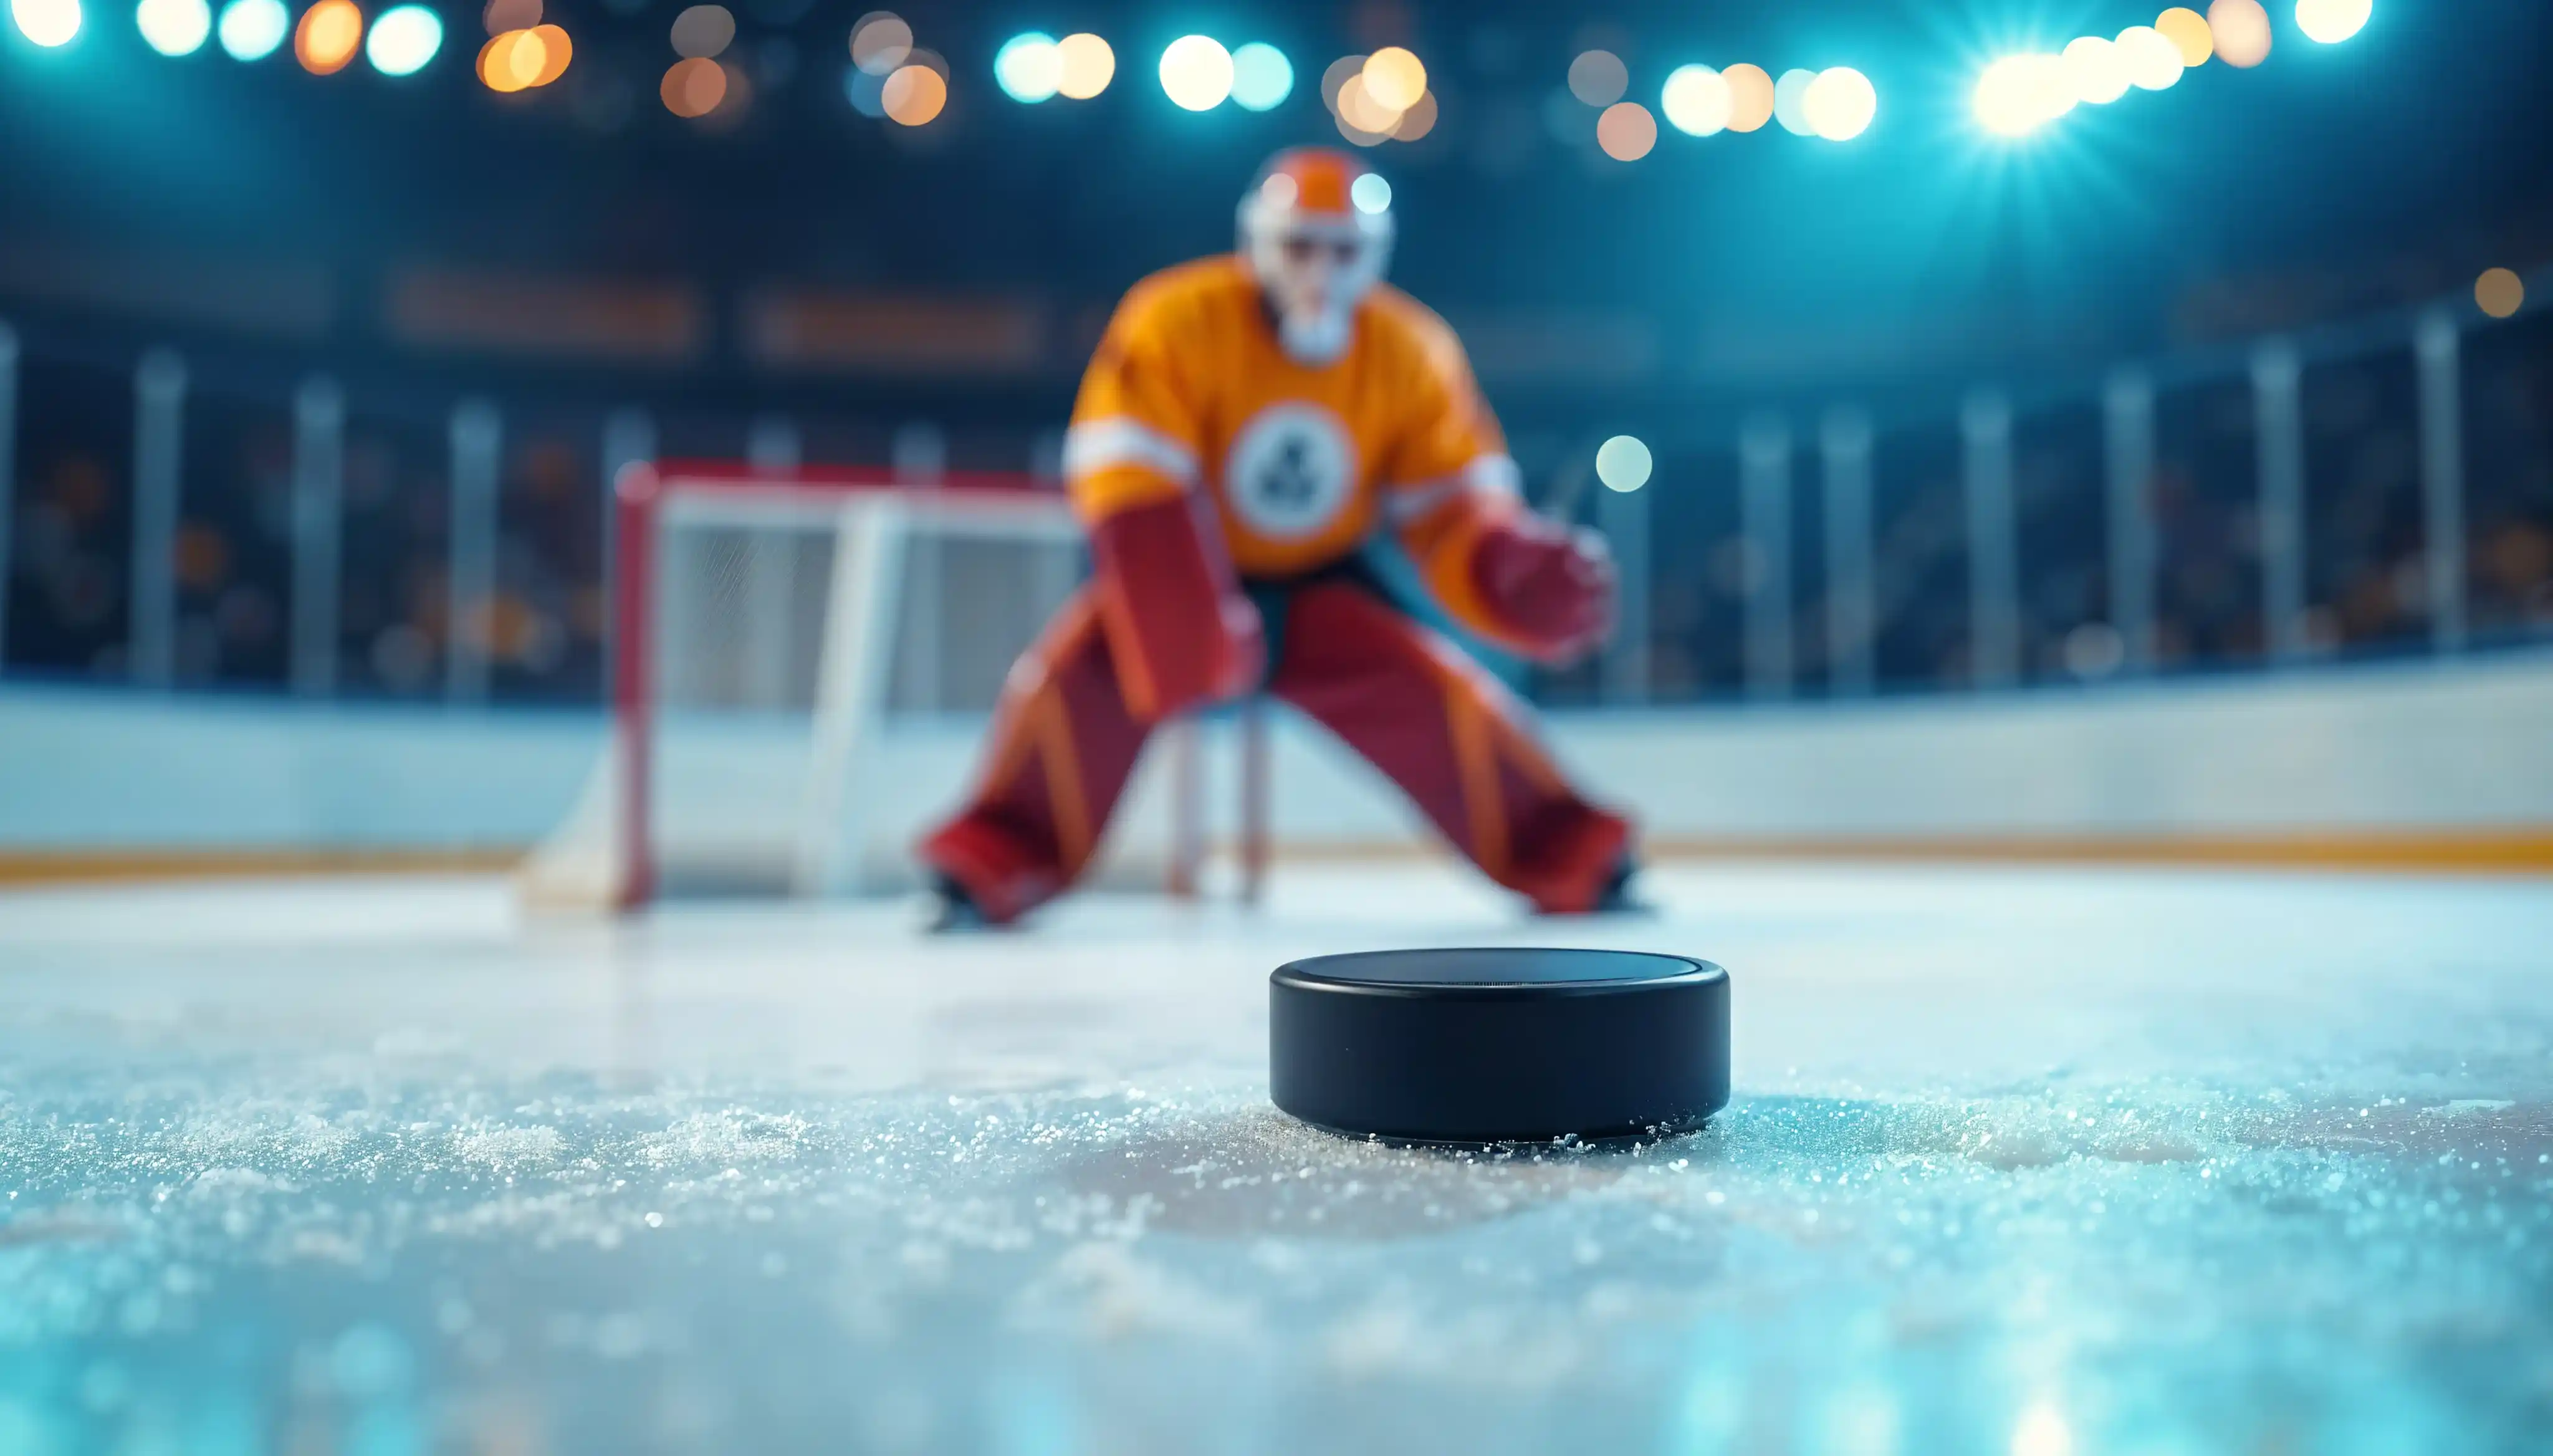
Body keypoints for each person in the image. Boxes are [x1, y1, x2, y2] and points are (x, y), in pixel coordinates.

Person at [918, 146, 1638, 927]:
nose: (1320, 271)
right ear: (1258, 243)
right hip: (1185, 572)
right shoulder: (1176, 318)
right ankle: (993, 855)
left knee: (1447, 697)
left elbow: (1450, 504)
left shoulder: (1410, 349)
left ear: (1376, 254)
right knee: (1069, 682)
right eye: (1300, 246)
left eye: (1344, 249)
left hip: (1322, 583)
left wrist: (1504, 564)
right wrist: (1174, 606)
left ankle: (1568, 847)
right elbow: (1126, 470)